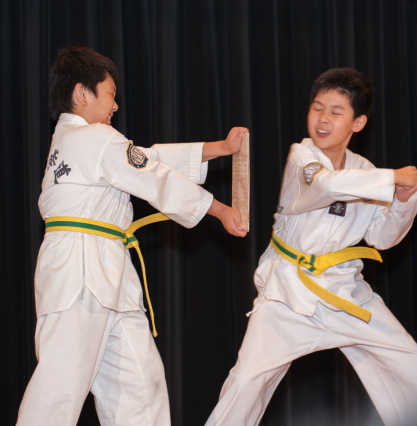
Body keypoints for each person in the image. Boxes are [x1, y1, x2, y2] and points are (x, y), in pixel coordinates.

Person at [17, 46, 247, 426]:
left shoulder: (81, 142)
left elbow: (146, 159)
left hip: (106, 272)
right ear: (82, 93)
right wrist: (219, 210)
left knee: (141, 387)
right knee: (59, 390)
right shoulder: (93, 139)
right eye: (110, 94)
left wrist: (220, 149)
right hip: (80, 272)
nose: (115, 105)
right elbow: (150, 173)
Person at [206, 68, 417, 426]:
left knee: (411, 365)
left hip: (344, 291)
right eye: (317, 108)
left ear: (358, 123)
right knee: (245, 383)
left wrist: (400, 199)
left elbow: (382, 238)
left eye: (336, 112)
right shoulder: (302, 158)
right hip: (287, 293)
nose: (322, 119)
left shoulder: (365, 171)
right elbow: (327, 185)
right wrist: (393, 177)